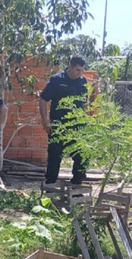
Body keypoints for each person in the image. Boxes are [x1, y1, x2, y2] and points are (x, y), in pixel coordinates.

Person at [39, 54, 88, 185]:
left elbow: (84, 103)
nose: (80, 73)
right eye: (78, 70)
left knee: (82, 155)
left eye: (82, 70)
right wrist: (45, 121)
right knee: (55, 156)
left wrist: (87, 120)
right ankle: (50, 186)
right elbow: (43, 98)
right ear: (70, 66)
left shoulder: (83, 82)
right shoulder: (56, 80)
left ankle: (76, 185)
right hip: (58, 126)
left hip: (77, 126)